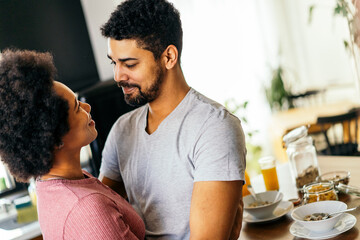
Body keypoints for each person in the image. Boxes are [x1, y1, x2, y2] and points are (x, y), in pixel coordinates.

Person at [99, 0, 247, 239]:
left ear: (168, 57)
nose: (117, 76)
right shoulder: (121, 131)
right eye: (113, 62)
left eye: (129, 64)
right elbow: (99, 215)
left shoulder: (214, 127)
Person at [0, 49, 145, 239]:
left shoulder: (52, 185)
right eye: (77, 107)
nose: (87, 107)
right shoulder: (87, 208)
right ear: (54, 135)